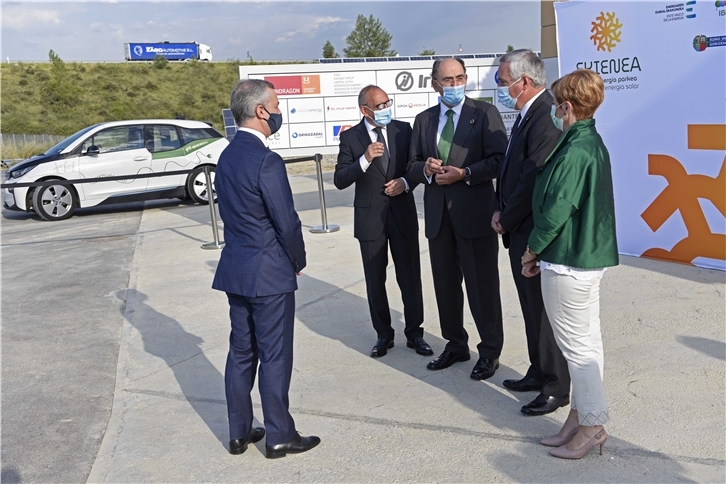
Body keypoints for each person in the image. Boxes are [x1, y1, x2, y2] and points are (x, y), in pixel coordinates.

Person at [212, 79, 320, 459]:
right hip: (269, 273)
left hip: (236, 269)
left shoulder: (226, 156)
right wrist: (298, 260)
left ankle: (239, 431)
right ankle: (279, 435)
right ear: (260, 111)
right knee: (274, 354)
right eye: (275, 105)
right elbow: (285, 221)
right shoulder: (266, 160)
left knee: (241, 351)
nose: (278, 111)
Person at [521, 68, 618, 459]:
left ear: (567, 105)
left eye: (558, 102)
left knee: (578, 349)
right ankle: (580, 417)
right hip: (579, 259)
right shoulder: (584, 140)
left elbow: (558, 208)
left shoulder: (577, 148)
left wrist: (532, 250)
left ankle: (592, 426)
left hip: (569, 261)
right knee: (587, 345)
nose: (554, 109)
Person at [407, 57, 508, 379]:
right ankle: (455, 344)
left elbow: (499, 160)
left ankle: (489, 351)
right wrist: (425, 169)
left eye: (459, 78)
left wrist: (464, 173)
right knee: (446, 286)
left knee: (483, 288)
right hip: (438, 218)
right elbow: (411, 165)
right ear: (434, 83)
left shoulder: (484, 113)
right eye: (447, 80)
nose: (454, 85)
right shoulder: (423, 120)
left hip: (475, 215)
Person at [493, 50, 571, 416]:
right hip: (517, 226)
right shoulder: (528, 114)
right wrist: (500, 208)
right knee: (529, 307)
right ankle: (538, 370)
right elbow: (511, 171)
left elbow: (531, 177)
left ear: (523, 82)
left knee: (543, 311)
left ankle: (556, 385)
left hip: (532, 231)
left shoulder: (544, 115)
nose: (500, 88)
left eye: (502, 81)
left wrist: (506, 217)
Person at [334, 85, 431, 358]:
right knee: (375, 280)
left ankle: (415, 334)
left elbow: (416, 167)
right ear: (365, 110)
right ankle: (383, 335)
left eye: (388, 102)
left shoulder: (403, 130)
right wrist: (364, 159)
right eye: (380, 106)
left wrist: (405, 183)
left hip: (402, 214)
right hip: (370, 219)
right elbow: (340, 179)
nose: (386, 108)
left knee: (410, 277)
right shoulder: (350, 137)